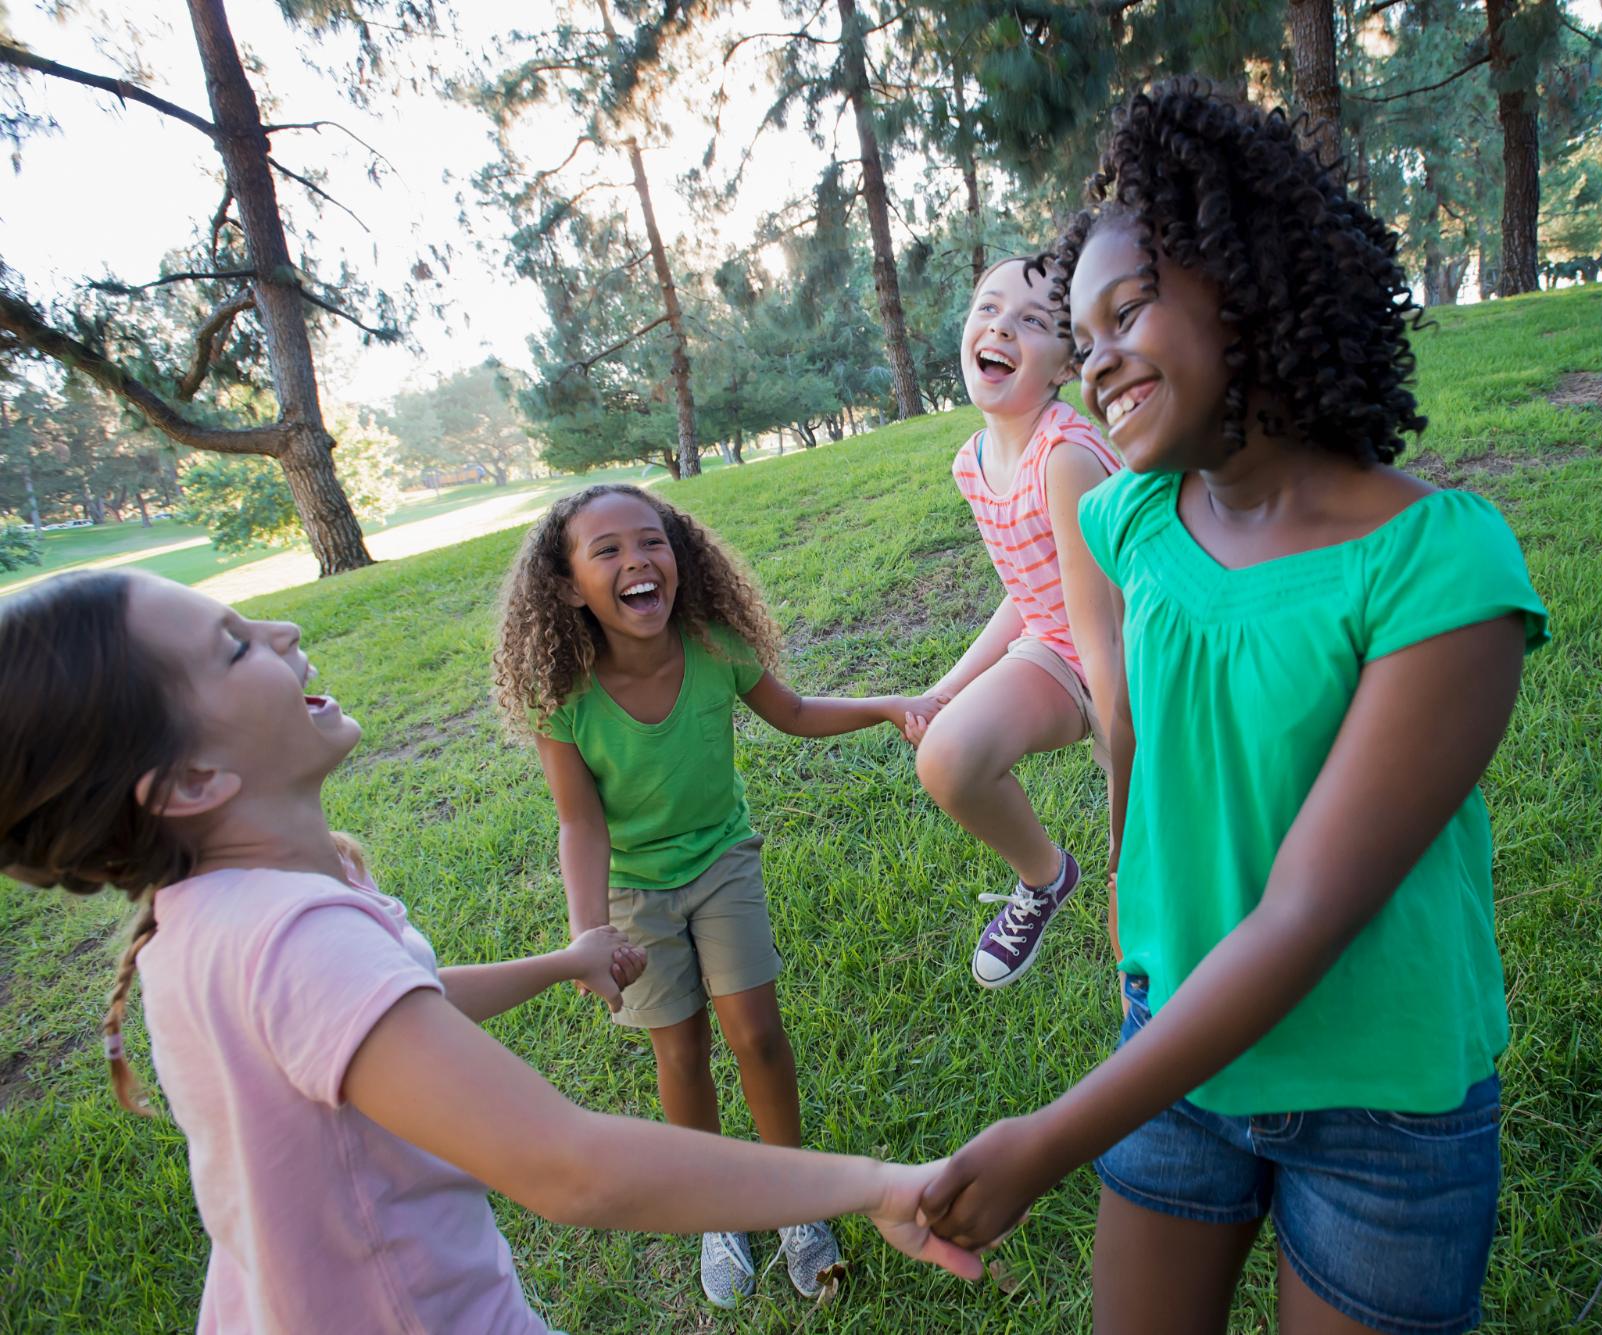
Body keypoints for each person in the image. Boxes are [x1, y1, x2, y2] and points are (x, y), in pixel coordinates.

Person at [919, 80, 1550, 1335]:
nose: (1093, 356)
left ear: (1248, 285)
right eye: (1077, 333)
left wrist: (1053, 1135)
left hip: (1382, 1102)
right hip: (1171, 1042)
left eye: (1125, 309)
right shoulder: (1127, 519)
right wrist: (1124, 897)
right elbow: (1129, 726)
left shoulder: (1440, 567)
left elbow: (1311, 909)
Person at [0, 570, 978, 1335]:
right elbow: (572, 1169)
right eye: (232, 647)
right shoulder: (294, 938)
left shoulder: (203, 918)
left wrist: (558, 962)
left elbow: (387, 1011)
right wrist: (877, 1185)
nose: (284, 634)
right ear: (188, 780)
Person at [492, 483, 942, 1306]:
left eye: (652, 541)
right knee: (681, 1050)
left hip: (722, 859)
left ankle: (800, 1201)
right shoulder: (567, 696)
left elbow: (795, 712)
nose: (637, 561)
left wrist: (887, 705)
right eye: (608, 551)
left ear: (680, 554)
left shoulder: (714, 643)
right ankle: (714, 1209)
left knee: (757, 1034)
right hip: (634, 887)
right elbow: (580, 824)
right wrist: (586, 932)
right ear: (566, 587)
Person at [907, 255, 1124, 989]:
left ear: (1067, 363)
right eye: (988, 309)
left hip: (1135, 660)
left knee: (1170, 891)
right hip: (1062, 649)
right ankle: (1046, 875)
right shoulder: (973, 462)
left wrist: (1126, 831)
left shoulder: (1065, 457)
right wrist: (946, 687)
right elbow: (1030, 589)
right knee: (946, 755)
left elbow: (1106, 636)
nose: (1002, 325)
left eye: (1033, 321)